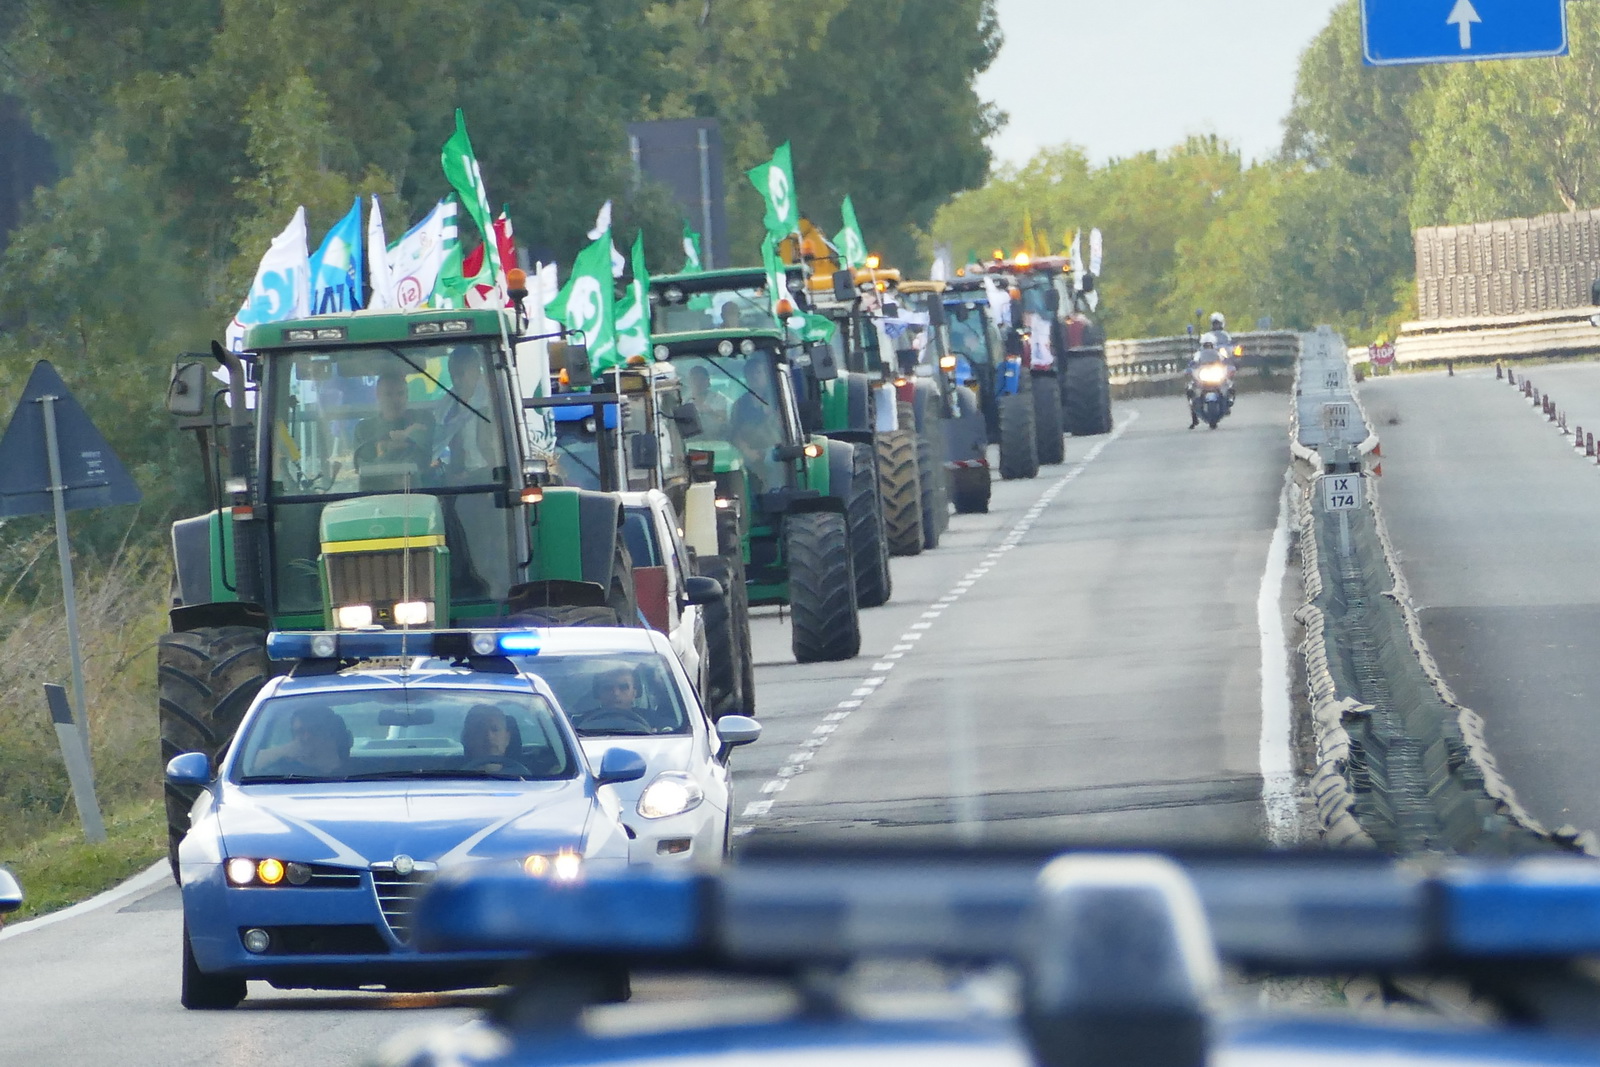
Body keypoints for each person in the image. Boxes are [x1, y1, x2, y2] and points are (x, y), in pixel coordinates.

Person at [354, 369, 433, 476]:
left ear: (407, 395)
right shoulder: (364, 429)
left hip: (421, 490)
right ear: (378, 395)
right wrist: (390, 448)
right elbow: (364, 469)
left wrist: (383, 448)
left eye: (400, 393)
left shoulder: (422, 418)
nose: (395, 400)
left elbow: (422, 462)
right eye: (388, 394)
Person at [433, 346, 495, 481]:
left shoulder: (493, 400)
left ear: (477, 371)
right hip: (459, 475)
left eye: (461, 374)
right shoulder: (447, 405)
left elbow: (493, 448)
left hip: (489, 474)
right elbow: (439, 442)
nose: (456, 380)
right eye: (452, 374)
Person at [728, 356, 783, 495]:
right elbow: (734, 434)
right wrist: (747, 451)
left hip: (776, 451)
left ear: (766, 375)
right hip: (750, 453)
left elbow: (785, 430)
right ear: (746, 376)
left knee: (774, 460)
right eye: (751, 373)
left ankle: (774, 496)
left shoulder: (779, 400)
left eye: (759, 372)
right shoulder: (740, 404)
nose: (755, 376)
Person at [254, 707, 352, 778]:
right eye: (300, 732)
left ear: (333, 735)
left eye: (314, 730)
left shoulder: (360, 772)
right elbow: (248, 766)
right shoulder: (283, 770)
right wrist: (283, 751)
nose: (306, 737)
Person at [569, 666, 656, 734]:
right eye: (608, 688)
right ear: (598, 693)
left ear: (635, 692)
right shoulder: (575, 726)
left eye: (623, 687)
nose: (616, 693)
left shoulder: (655, 722)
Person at [686, 365, 729, 438]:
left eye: (702, 379)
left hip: (716, 441)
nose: (698, 383)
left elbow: (724, 424)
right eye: (695, 379)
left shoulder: (719, 399)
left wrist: (711, 412)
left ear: (708, 381)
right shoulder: (683, 402)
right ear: (689, 382)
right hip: (690, 443)